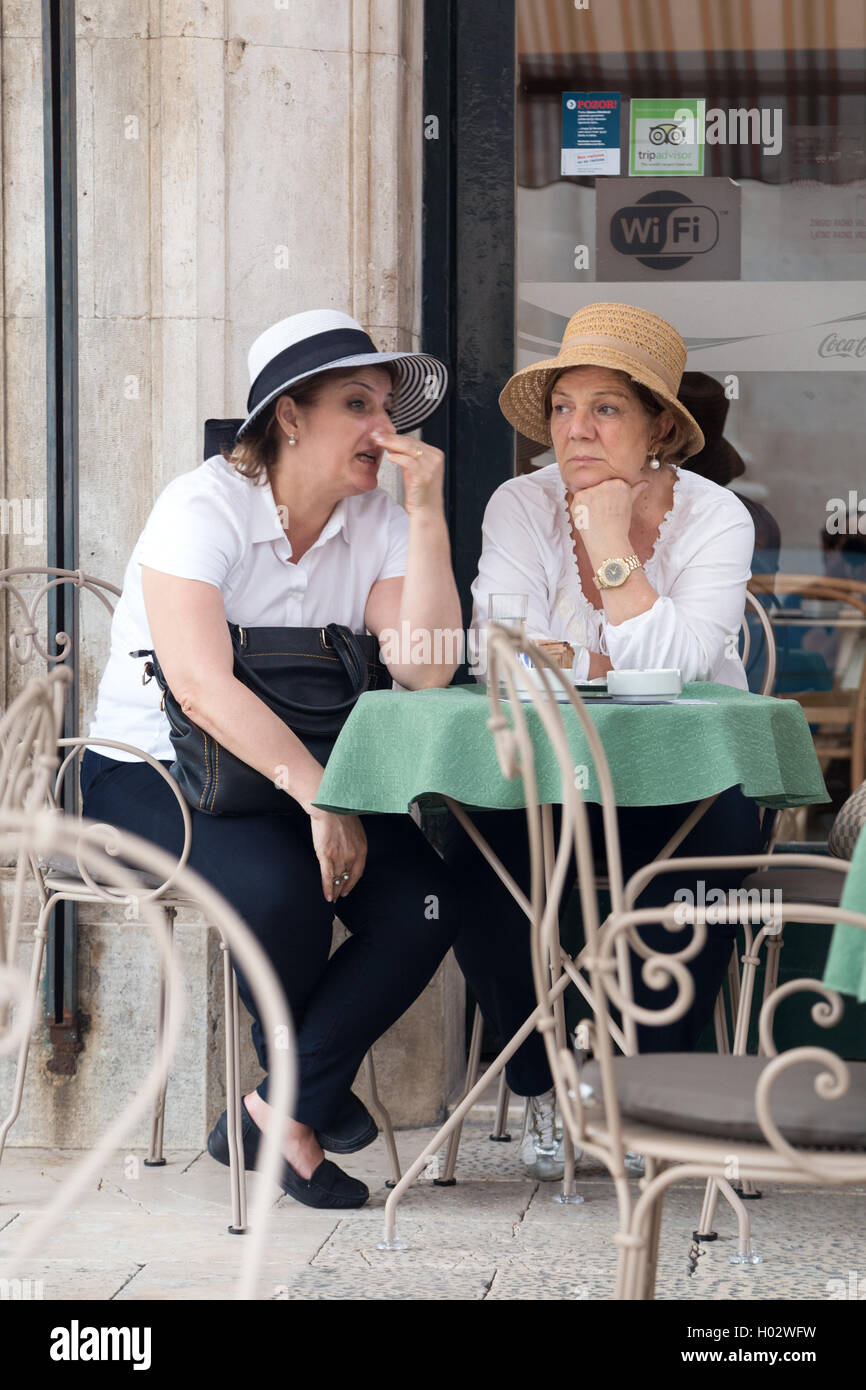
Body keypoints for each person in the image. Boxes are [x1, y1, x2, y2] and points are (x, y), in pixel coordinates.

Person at [81, 309, 463, 1210]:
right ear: (289, 417)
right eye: (357, 404)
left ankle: (275, 1109)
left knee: (428, 902)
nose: (386, 429)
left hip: (297, 780)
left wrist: (428, 515)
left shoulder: (376, 520)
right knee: (284, 892)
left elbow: (427, 661)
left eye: (389, 409)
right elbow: (204, 688)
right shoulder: (201, 506)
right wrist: (322, 804)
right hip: (154, 773)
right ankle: (303, 1112)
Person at [444, 303, 770, 1152]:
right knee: (474, 856)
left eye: (605, 408)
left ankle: (646, 1090)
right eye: (562, 408)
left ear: (661, 422)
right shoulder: (520, 502)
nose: (574, 430)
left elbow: (687, 667)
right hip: (551, 774)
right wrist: (599, 663)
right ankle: (544, 1081)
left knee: (708, 866)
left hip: (687, 775)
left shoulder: (715, 518)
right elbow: (495, 646)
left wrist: (610, 544)